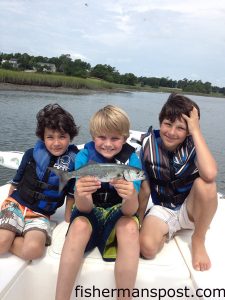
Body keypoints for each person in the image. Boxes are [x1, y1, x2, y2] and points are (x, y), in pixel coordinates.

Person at [55, 105, 142, 300]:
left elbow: (130, 211)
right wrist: (82, 193)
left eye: (115, 138)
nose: (108, 144)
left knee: (130, 228)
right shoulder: (84, 157)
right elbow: (84, 208)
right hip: (90, 211)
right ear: (93, 136)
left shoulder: (132, 162)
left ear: (125, 138)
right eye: (102, 137)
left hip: (119, 213)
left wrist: (130, 196)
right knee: (78, 226)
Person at [138, 93, 218, 272]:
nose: (172, 132)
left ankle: (198, 239)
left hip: (191, 210)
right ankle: (168, 229)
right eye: (167, 124)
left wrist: (196, 131)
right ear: (160, 123)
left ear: (189, 130)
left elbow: (210, 174)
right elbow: (143, 189)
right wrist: (139, 222)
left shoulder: (194, 144)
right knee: (147, 248)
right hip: (164, 208)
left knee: (206, 185)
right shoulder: (147, 145)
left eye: (181, 128)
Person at [0, 103, 79, 260]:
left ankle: (13, 236)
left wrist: (68, 218)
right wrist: (7, 204)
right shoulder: (30, 155)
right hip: (16, 205)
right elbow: (16, 182)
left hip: (40, 214)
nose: (56, 143)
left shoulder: (74, 163)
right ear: (42, 137)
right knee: (1, 243)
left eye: (62, 137)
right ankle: (9, 236)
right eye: (50, 137)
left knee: (34, 251)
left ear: (70, 137)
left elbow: (71, 194)